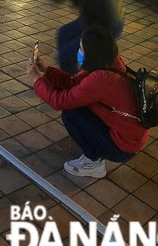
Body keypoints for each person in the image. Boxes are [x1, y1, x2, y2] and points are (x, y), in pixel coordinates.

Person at [29, 28, 149, 179]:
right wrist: (46, 70)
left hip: (123, 147)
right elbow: (73, 83)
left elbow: (59, 101)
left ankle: (94, 163)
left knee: (71, 115)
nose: (78, 51)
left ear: (92, 53)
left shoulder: (101, 79)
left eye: (81, 48)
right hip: (132, 136)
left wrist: (36, 80)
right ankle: (97, 152)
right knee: (78, 106)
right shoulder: (110, 63)